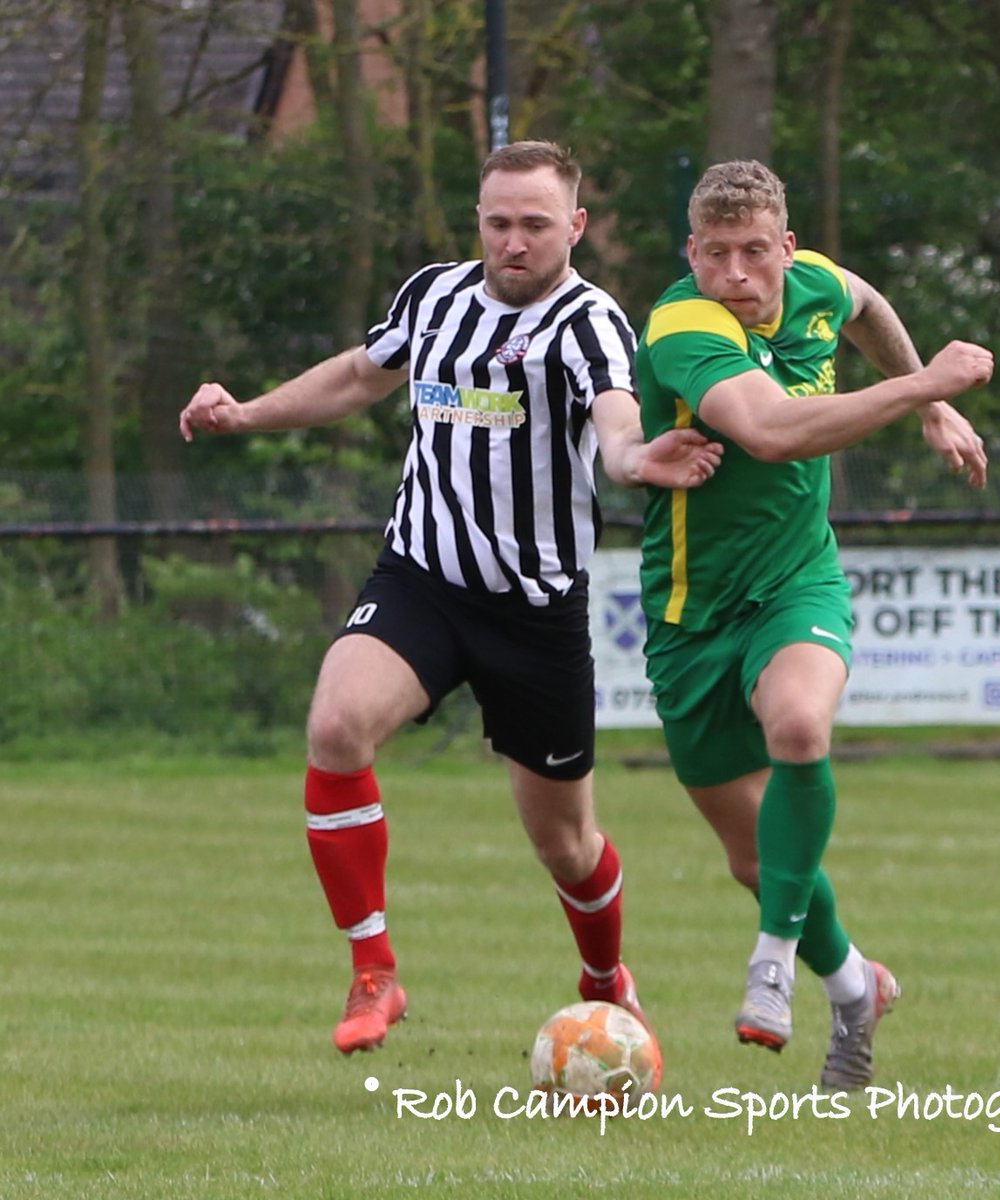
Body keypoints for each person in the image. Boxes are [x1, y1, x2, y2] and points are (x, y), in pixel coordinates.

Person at [179, 140, 721, 1055]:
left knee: (567, 844)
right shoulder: (433, 293)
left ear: (575, 228)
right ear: (478, 219)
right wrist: (247, 412)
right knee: (336, 725)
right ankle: (374, 972)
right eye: (498, 222)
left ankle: (603, 978)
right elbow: (359, 375)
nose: (514, 242)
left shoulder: (590, 324)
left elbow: (617, 425)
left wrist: (637, 464)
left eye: (536, 226)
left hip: (536, 610)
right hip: (420, 580)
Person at [634, 159, 992, 1089]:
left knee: (799, 724)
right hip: (688, 616)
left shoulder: (816, 284)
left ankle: (771, 963)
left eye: (757, 253)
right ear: (692, 253)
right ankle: (851, 987)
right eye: (717, 256)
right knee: (754, 856)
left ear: (788, 249)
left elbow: (867, 304)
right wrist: (924, 392)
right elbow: (771, 431)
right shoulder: (683, 324)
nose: (739, 275)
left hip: (798, 581)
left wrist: (932, 397)